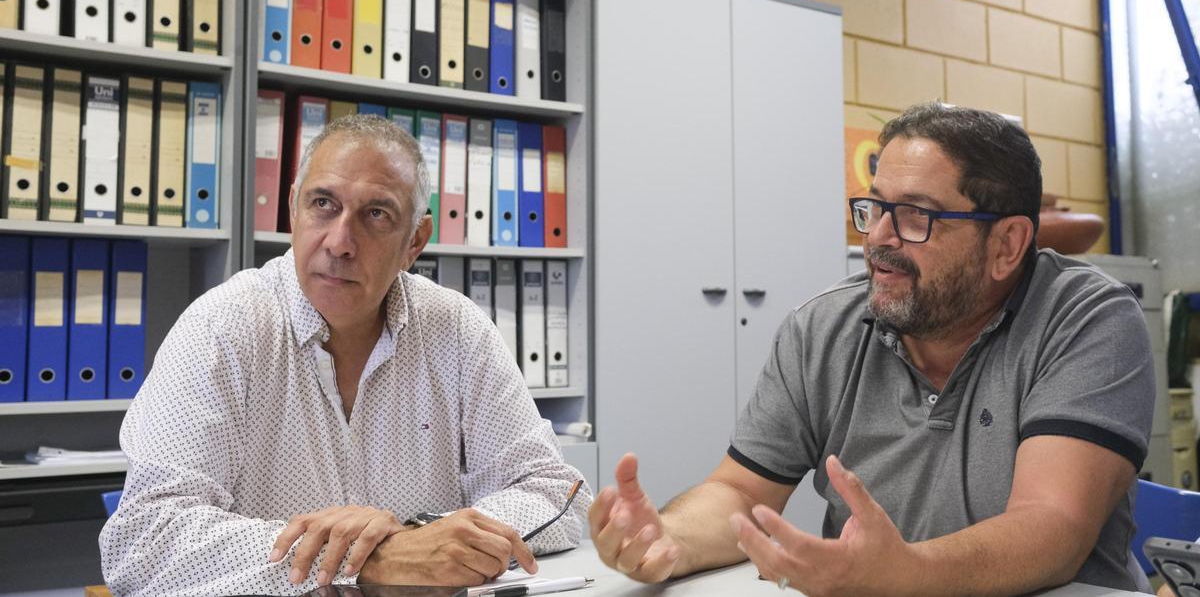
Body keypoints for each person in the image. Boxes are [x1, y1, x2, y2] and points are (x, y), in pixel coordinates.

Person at [588, 102, 1155, 594]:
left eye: (915, 216)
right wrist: (668, 538)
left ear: (1007, 244)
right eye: (875, 207)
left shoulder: (1085, 319)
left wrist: (907, 574)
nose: (878, 237)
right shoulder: (822, 329)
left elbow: (1051, 528)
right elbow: (738, 493)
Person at [100, 115, 589, 596]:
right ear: (293, 210)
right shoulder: (222, 328)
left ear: (414, 242)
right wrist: (374, 558)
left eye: (376, 215)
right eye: (323, 204)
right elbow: (144, 542)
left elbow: (556, 493)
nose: (339, 243)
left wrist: (424, 535)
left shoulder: (456, 329)